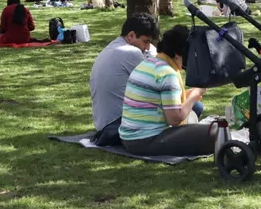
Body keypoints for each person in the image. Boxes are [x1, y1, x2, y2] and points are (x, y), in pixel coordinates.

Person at [119, 25, 217, 156]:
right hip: (147, 140)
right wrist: (195, 94)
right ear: (178, 54)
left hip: (130, 137)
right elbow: (175, 119)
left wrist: (187, 96)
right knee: (217, 131)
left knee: (197, 111)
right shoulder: (167, 73)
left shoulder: (149, 63)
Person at [90, 14, 160, 143]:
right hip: (118, 127)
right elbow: (157, 84)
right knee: (191, 108)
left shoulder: (113, 47)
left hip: (104, 125)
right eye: (145, 41)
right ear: (131, 35)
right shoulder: (131, 53)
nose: (147, 47)